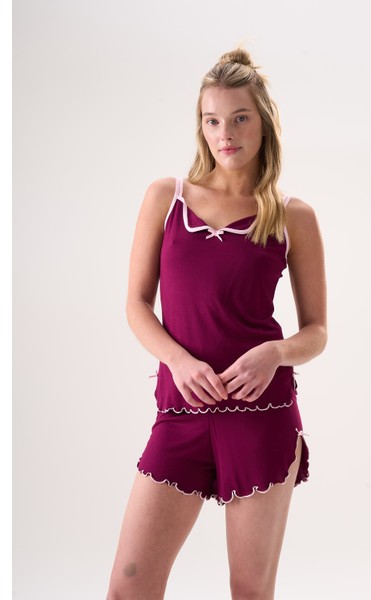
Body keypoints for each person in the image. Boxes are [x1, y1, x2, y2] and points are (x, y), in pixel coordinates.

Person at [107, 47, 327, 600]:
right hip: (180, 412)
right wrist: (178, 361)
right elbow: (136, 304)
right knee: (129, 586)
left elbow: (317, 331)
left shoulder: (292, 215)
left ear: (263, 122)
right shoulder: (167, 198)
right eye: (212, 120)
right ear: (200, 126)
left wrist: (276, 353)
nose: (224, 134)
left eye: (239, 118)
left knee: (250, 591)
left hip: (262, 415)